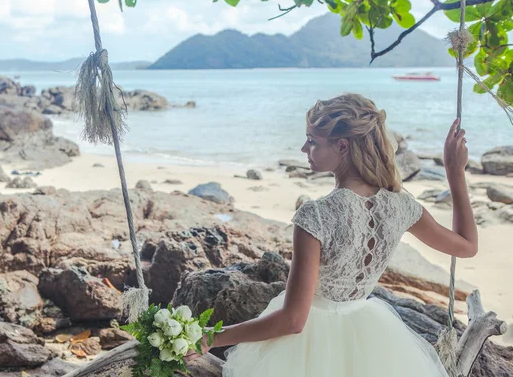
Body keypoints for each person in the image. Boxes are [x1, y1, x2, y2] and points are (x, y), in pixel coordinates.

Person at [185, 93, 478, 376]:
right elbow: (466, 247)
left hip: (307, 348)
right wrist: (455, 172)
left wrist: (210, 338)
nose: (303, 149)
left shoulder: (316, 215)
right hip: (371, 337)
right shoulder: (401, 205)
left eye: (312, 141)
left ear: (341, 147)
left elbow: (293, 320)